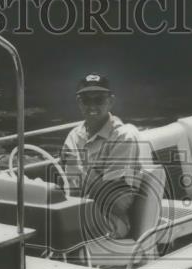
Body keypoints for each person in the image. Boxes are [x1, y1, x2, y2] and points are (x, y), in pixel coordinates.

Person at [60, 73, 141, 238]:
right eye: (86, 100)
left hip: (112, 220)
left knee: (55, 232)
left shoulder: (124, 136)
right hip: (76, 210)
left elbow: (117, 204)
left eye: (99, 100)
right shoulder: (74, 135)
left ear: (111, 102)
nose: (92, 106)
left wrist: (81, 167)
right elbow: (70, 188)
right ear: (79, 103)